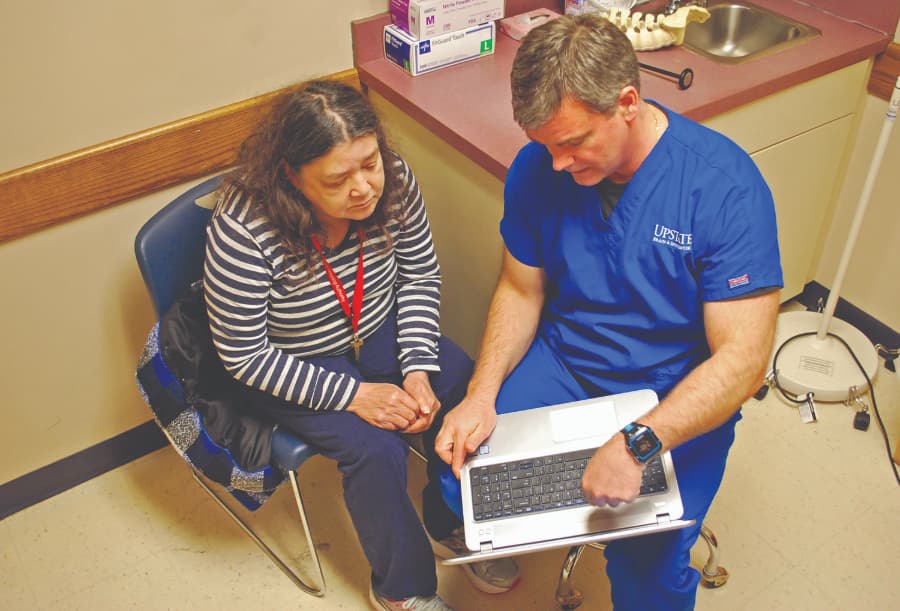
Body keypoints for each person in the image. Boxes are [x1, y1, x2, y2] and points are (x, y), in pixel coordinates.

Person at [435, 14, 783, 610]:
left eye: (572, 143)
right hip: (569, 363)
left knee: (647, 569)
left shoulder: (723, 189)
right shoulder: (536, 171)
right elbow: (521, 289)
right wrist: (481, 393)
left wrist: (639, 443)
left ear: (627, 102)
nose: (557, 165)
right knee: (460, 479)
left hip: (671, 389)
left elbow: (745, 361)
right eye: (545, 146)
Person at [202, 80, 518, 611]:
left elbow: (418, 275)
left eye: (369, 162)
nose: (364, 189)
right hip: (288, 360)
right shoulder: (243, 228)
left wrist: (416, 366)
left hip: (377, 330)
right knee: (375, 448)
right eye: (338, 178)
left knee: (461, 380)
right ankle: (402, 588)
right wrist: (354, 396)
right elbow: (243, 355)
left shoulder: (391, 180)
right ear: (291, 176)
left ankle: (448, 522)